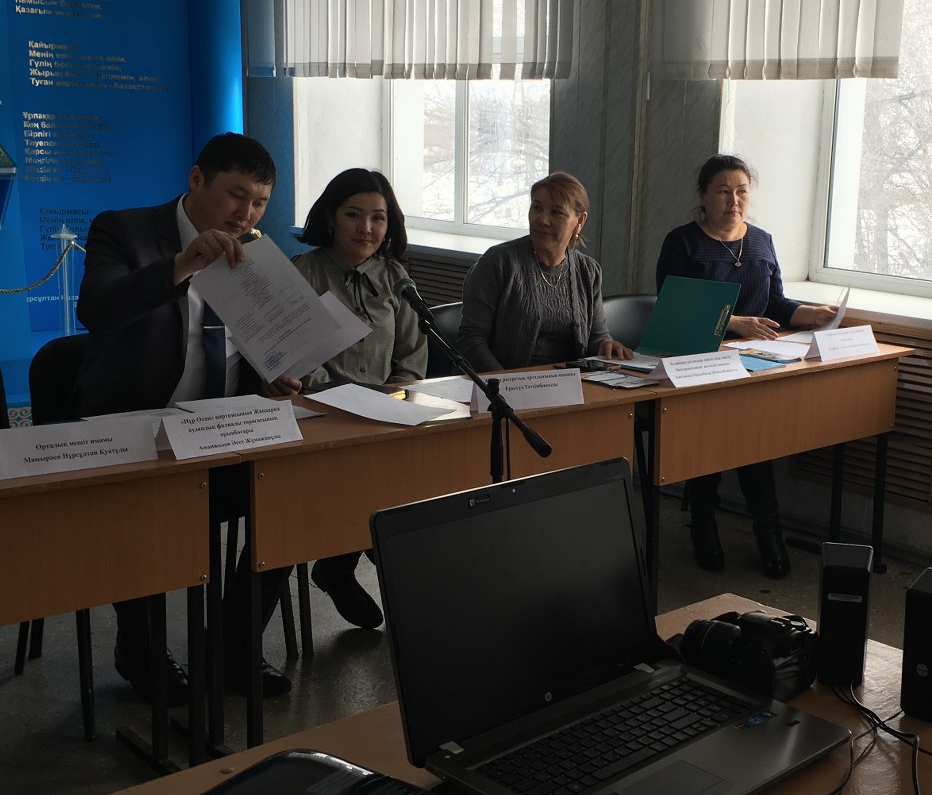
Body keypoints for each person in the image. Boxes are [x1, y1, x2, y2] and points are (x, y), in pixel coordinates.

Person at [72, 132, 299, 702]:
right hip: (140, 433)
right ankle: (140, 648)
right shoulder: (123, 230)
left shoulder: (257, 254)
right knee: (144, 511)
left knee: (297, 499)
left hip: (221, 432)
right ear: (196, 178)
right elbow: (96, 309)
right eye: (236, 195)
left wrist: (271, 376)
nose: (246, 214)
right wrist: (181, 265)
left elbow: (252, 347)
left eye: (259, 203)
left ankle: (232, 642)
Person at [655, 154, 836, 578]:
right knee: (712, 437)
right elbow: (674, 308)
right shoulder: (682, 242)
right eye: (723, 191)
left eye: (741, 191)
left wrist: (811, 314)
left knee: (754, 440)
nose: (733, 200)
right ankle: (703, 524)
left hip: (754, 362)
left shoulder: (761, 241)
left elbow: (775, 304)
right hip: (699, 360)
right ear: (702, 196)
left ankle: (767, 530)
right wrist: (735, 323)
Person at [290, 168, 426, 630]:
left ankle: (339, 565)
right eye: (353, 215)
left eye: (378, 218)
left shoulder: (395, 276)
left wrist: (395, 398)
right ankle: (341, 561)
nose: (366, 228)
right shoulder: (303, 273)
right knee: (368, 490)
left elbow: (412, 353)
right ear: (331, 217)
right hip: (317, 417)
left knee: (408, 489)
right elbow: (296, 358)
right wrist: (340, 400)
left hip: (385, 415)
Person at [457, 172, 632, 371]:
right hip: (503, 383)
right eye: (537, 208)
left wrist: (606, 345)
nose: (542, 220)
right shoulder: (498, 262)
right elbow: (471, 341)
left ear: (579, 221)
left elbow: (596, 337)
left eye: (556, 212)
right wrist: (505, 383)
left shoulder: (588, 271)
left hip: (571, 384)